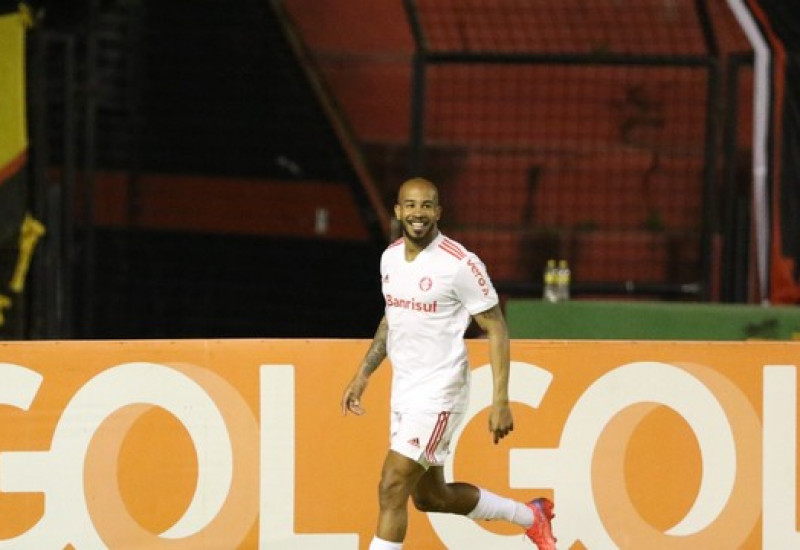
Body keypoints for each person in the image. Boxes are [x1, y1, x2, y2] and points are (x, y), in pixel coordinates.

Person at [341, 177, 556, 550]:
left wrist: (500, 400)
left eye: (427, 206)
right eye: (410, 205)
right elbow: (391, 318)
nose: (418, 214)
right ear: (397, 211)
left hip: (441, 391)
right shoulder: (390, 257)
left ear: (439, 212)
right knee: (430, 497)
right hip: (405, 389)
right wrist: (363, 374)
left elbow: (496, 328)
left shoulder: (459, 264)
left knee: (392, 484)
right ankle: (530, 516)